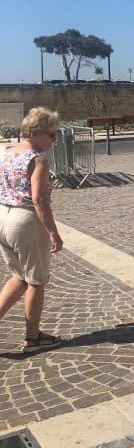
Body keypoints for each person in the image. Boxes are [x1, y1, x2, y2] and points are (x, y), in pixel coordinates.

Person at [0, 107, 63, 353]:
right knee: (36, 280)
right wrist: (53, 232)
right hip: (25, 221)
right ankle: (33, 337)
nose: (53, 140)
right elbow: (38, 200)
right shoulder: (38, 161)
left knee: (19, 277)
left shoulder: (7, 154)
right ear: (36, 133)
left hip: (3, 216)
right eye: (51, 134)